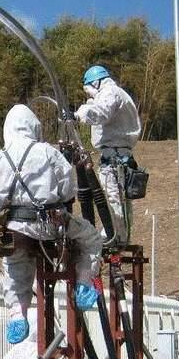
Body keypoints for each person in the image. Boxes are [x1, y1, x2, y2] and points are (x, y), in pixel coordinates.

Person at [0, 105, 103, 344]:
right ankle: (84, 284)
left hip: (14, 228)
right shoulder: (48, 152)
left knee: (14, 265)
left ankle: (17, 314)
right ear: (34, 127)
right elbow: (67, 189)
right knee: (91, 237)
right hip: (49, 226)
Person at [74, 65, 142, 245]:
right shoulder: (116, 93)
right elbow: (98, 108)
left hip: (115, 156)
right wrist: (88, 106)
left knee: (113, 198)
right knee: (118, 199)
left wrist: (79, 114)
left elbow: (101, 112)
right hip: (118, 154)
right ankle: (118, 234)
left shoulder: (110, 92)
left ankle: (116, 236)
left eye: (88, 89)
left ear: (96, 83)